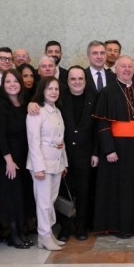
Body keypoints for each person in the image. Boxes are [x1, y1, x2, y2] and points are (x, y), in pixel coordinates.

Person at [92, 55, 134, 237]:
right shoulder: (108, 92)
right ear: (115, 69)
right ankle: (119, 226)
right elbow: (102, 124)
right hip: (117, 149)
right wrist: (109, 149)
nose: (126, 69)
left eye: (129, 66)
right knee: (119, 188)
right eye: (122, 66)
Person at [0, 69, 32, 249]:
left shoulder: (25, 104)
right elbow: (0, 135)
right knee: (12, 197)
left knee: (22, 195)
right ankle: (13, 235)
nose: (12, 84)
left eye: (15, 81)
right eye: (8, 82)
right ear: (3, 85)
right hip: (9, 159)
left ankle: (22, 231)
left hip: (25, 157)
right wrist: (8, 160)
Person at [26, 76, 69, 251]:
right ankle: (43, 236)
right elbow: (33, 141)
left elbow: (61, 140)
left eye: (56, 89)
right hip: (42, 163)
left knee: (50, 201)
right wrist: (39, 168)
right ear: (42, 90)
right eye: (50, 89)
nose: (53, 92)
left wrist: (64, 163)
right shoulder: (37, 111)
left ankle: (48, 233)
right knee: (43, 202)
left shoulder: (56, 111)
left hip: (57, 162)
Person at [59, 66, 99, 241]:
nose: (77, 82)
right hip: (64, 156)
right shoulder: (59, 98)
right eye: (73, 79)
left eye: (80, 79)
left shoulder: (94, 98)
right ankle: (65, 228)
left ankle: (81, 228)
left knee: (84, 193)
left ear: (85, 80)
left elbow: (98, 128)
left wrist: (96, 153)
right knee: (64, 193)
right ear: (67, 81)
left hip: (85, 155)